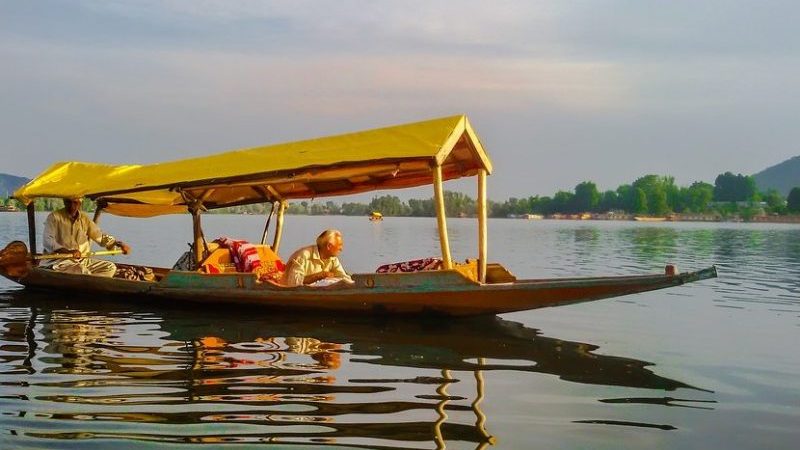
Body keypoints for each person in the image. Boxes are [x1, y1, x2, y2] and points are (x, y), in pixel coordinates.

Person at [42, 197, 131, 277]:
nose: (72, 206)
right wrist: (67, 251)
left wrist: (118, 244)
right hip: (60, 261)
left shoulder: (84, 218)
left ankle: (92, 283)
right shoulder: (54, 217)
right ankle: (91, 282)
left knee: (110, 267)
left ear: (80, 204)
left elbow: (99, 236)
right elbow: (48, 241)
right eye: (69, 202)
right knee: (82, 271)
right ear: (64, 202)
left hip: (82, 260)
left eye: (75, 203)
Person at [283, 229, 352, 286]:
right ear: (329, 246)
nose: (341, 249)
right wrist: (319, 276)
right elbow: (292, 282)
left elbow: (343, 278)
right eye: (339, 245)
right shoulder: (303, 255)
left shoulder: (333, 259)